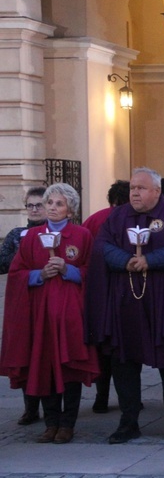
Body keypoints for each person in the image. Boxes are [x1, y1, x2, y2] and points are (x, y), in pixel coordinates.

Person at [86, 167, 164, 444]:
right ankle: (129, 421)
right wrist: (125, 260)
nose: (135, 193)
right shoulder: (117, 216)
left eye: (141, 188)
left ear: (156, 191)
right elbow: (102, 246)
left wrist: (150, 260)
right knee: (123, 361)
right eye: (132, 189)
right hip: (126, 298)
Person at [0, 183, 100, 444]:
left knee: (70, 368)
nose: (53, 208)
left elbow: (94, 273)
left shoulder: (82, 236)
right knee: (44, 367)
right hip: (40, 315)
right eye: (50, 203)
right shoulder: (31, 237)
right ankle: (51, 422)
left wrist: (70, 271)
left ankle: (68, 424)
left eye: (59, 204)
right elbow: (16, 273)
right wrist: (38, 275)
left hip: (71, 315)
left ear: (70, 210)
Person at [82, 180, 131, 414]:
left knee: (104, 346)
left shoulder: (94, 219)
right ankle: (128, 398)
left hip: (99, 288)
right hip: (124, 288)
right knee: (125, 347)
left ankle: (101, 397)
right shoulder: (129, 219)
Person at [0, 186, 48, 425]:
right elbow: (2, 262)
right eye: (30, 205)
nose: (35, 209)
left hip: (49, 301)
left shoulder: (57, 232)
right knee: (24, 351)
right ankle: (30, 407)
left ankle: (54, 409)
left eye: (39, 205)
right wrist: (25, 255)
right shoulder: (16, 234)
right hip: (21, 302)